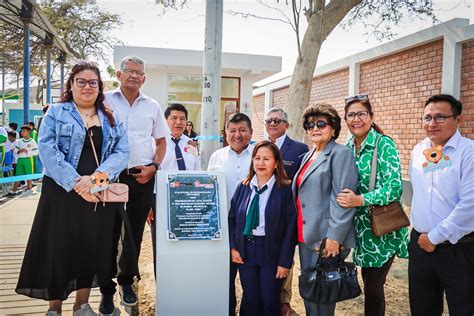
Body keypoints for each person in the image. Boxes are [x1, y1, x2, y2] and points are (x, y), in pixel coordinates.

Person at [15, 60, 130, 316]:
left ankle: (82, 305)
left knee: (90, 247)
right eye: (81, 81)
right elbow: (47, 148)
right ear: (71, 84)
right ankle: (54, 308)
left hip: (97, 192)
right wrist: (77, 183)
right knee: (58, 246)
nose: (87, 87)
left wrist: (97, 179)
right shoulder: (56, 112)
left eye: (93, 82)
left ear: (100, 86)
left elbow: (122, 151)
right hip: (61, 191)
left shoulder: (110, 116)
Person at [101, 55, 168, 313]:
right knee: (107, 233)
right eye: (128, 71)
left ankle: (126, 280)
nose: (133, 75)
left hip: (141, 177)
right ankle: (106, 288)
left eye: (138, 72)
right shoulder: (104, 100)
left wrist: (154, 167)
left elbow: (161, 142)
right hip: (109, 177)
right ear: (118, 74)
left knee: (134, 234)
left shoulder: (152, 106)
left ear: (144, 78)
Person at [336, 94, 408, 316]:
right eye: (351, 115)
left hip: (382, 230)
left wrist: (360, 200)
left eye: (362, 114)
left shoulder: (383, 144)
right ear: (345, 119)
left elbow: (394, 187)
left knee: (374, 286)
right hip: (361, 230)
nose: (356, 119)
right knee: (368, 283)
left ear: (371, 117)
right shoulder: (348, 146)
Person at [408, 94, 474, 316]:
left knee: (462, 308)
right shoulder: (418, 151)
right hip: (420, 244)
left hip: (459, 248)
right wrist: (422, 238)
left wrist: (435, 237)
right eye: (427, 118)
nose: (431, 124)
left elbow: (470, 205)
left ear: (458, 120)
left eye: (439, 117)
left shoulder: (469, 152)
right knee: (422, 308)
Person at [294, 103, 358, 316]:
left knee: (322, 298)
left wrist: (335, 237)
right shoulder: (308, 155)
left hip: (325, 239)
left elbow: (342, 199)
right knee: (310, 292)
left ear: (333, 128)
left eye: (321, 123)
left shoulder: (340, 154)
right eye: (310, 124)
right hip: (306, 236)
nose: (315, 128)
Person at [228, 140, 297, 315]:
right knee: (250, 299)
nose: (260, 163)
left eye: (266, 159)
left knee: (269, 300)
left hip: (271, 252)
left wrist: (284, 262)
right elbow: (232, 219)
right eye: (257, 158)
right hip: (246, 251)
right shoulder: (243, 187)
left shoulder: (284, 189)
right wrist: (233, 247)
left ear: (276, 163)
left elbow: (290, 229)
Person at [207, 112, 254, 316]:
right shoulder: (217, 156)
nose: (237, 135)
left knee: (251, 282)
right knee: (224, 281)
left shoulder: (258, 154)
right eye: (232, 131)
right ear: (225, 133)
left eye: (242, 130)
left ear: (251, 132)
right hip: (223, 227)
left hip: (252, 228)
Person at [147, 103, 200, 277]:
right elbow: (149, 174)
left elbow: (196, 171)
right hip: (161, 200)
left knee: (185, 242)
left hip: (187, 201)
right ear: (165, 120)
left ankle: (183, 277)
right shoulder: (155, 143)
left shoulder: (191, 143)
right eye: (174, 118)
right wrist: (148, 203)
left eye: (183, 118)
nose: (179, 122)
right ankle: (163, 281)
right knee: (161, 243)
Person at [264, 107, 308, 315]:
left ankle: (284, 300)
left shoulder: (300, 149)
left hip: (287, 213)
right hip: (262, 213)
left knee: (285, 255)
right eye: (269, 121)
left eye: (277, 121)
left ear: (287, 125)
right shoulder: (260, 148)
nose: (272, 124)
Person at [9, 125, 38, 195]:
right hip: (20, 160)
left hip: (28, 160)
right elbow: (15, 149)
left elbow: (36, 152)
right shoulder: (20, 141)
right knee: (18, 175)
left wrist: (27, 151)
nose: (22, 132)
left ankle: (29, 189)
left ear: (28, 132)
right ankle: (14, 190)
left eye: (24, 131)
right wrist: (18, 151)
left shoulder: (32, 141)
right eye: (21, 131)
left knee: (29, 176)